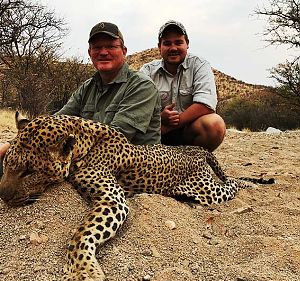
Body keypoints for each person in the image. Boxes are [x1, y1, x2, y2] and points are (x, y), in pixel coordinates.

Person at [0, 22, 161, 176]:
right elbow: (52, 125)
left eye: (111, 46)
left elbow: (115, 141)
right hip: (92, 165)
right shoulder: (87, 87)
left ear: (124, 51)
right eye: (97, 47)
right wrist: (10, 145)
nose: (103, 52)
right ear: (90, 52)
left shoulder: (142, 85)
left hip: (134, 173)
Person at [140, 20, 226, 151]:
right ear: (159, 47)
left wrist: (172, 124)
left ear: (187, 44)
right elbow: (138, 108)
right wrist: (159, 118)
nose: (173, 48)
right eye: (167, 43)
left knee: (215, 125)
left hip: (187, 131)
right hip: (156, 132)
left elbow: (206, 105)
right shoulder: (147, 71)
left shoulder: (200, 65)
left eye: (178, 42)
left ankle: (194, 162)